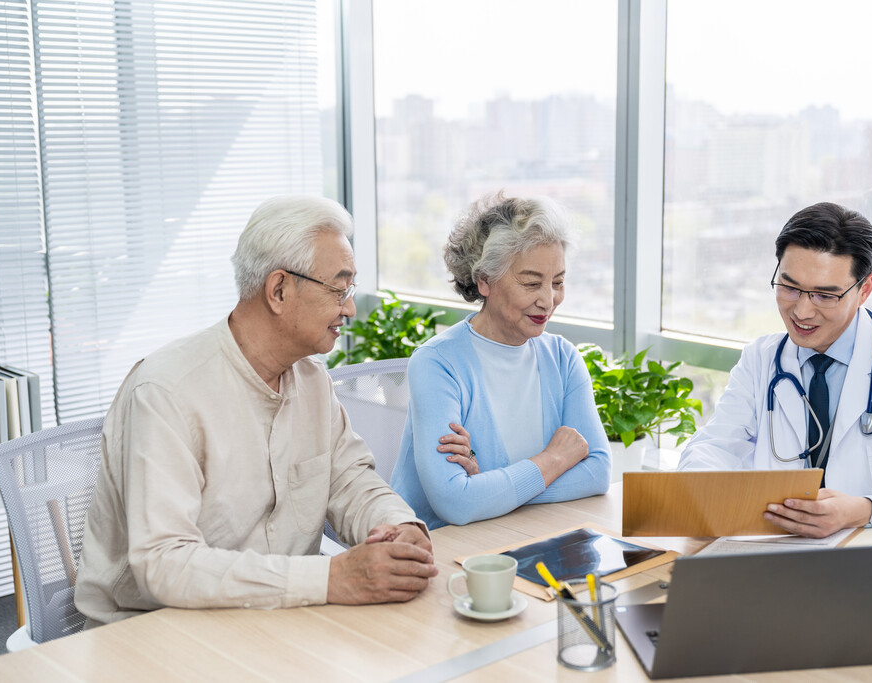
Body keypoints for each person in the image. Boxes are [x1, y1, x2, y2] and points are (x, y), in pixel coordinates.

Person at [75, 195, 438, 626]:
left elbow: (350, 479)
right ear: (279, 289)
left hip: (272, 617)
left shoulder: (312, 380)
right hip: (150, 630)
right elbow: (163, 564)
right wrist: (329, 579)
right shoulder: (166, 391)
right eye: (339, 288)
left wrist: (399, 526)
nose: (350, 308)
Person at [678, 202, 872, 538]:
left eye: (825, 295)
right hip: (779, 555)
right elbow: (713, 448)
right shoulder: (761, 360)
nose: (801, 310)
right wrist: (703, 493)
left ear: (864, 289)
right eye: (789, 287)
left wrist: (864, 510)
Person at [391, 193, 611, 530]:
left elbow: (597, 473)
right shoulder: (437, 364)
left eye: (558, 282)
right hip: (435, 549)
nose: (548, 300)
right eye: (531, 282)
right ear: (485, 280)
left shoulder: (563, 358)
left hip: (520, 537)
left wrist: (491, 486)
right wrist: (554, 460)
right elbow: (455, 503)